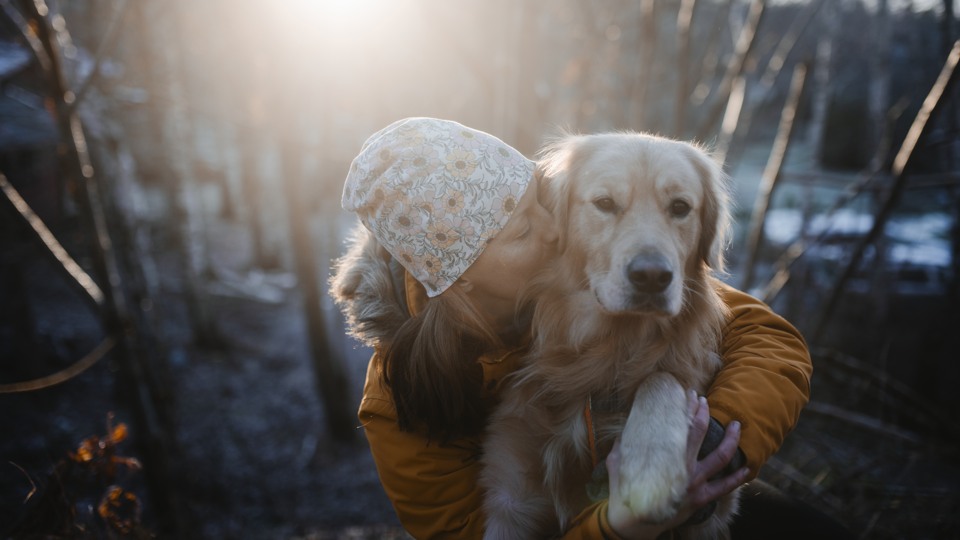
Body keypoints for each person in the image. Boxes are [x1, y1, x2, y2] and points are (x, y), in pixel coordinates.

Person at [331, 117, 848, 539]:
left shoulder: (571, 266)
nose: (556, 232)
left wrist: (707, 440)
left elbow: (769, 338)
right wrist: (620, 525)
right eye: (526, 229)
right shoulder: (395, 402)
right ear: (460, 278)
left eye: (543, 204)